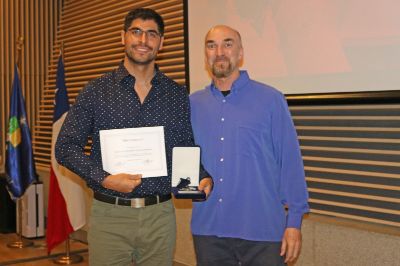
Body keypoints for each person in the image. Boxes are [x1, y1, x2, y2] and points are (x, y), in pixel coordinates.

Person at [55, 8, 211, 266]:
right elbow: (65, 148)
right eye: (136, 31)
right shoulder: (96, 91)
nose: (143, 40)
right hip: (110, 215)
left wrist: (201, 176)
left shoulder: (176, 94)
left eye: (152, 34)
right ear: (123, 37)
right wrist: (105, 179)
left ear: (161, 42)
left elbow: (183, 148)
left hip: (159, 216)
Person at [189, 25, 309, 266]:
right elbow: (184, 159)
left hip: (262, 232)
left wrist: (294, 222)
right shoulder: (192, 104)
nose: (219, 51)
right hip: (209, 231)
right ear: (206, 54)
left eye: (228, 44)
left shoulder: (271, 99)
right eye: (211, 45)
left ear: (241, 52)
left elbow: (290, 161)